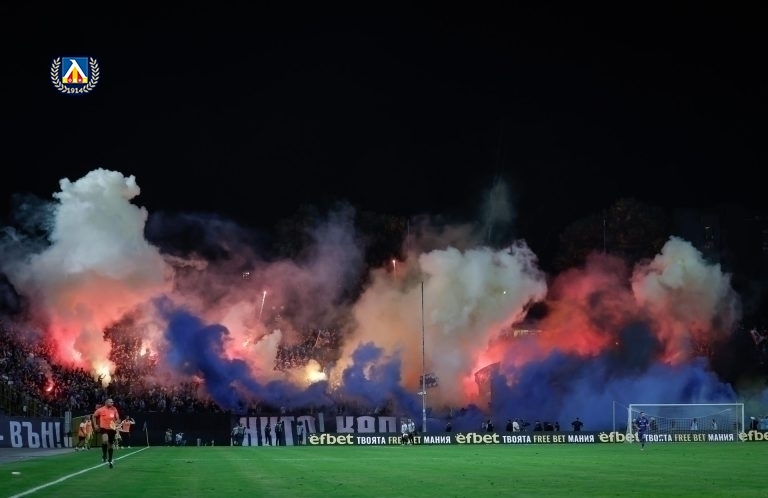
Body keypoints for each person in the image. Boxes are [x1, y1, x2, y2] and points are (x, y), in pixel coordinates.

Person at [93, 398, 120, 468]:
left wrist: (117, 421)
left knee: (110, 445)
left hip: (112, 428)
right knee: (105, 440)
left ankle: (110, 460)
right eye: (111, 402)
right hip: (103, 428)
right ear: (106, 402)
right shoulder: (100, 410)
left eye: (112, 402)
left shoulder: (114, 409)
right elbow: (94, 416)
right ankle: (104, 455)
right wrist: (95, 425)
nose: (112, 403)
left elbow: (117, 417)